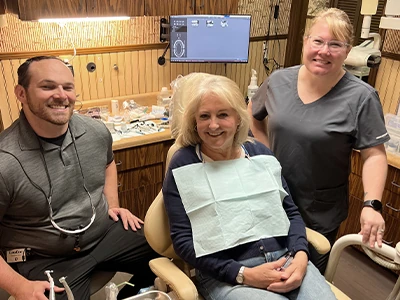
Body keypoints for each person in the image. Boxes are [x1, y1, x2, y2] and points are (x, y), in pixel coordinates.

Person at [163, 72, 336, 300]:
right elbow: (184, 241)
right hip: (227, 274)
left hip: (286, 258)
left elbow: (290, 213)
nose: (213, 125)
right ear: (195, 122)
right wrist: (244, 274)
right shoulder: (184, 164)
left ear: (238, 118)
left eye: (223, 114)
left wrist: (302, 257)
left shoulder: (260, 154)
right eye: (204, 116)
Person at [0, 56, 157, 300]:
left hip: (103, 233)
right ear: (21, 93)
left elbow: (108, 162)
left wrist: (113, 205)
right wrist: (19, 286)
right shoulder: (5, 161)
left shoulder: (95, 132)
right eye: (48, 86)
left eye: (68, 87)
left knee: (167, 254)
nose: (61, 95)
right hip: (46, 256)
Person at [249, 8, 389, 274]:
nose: (324, 51)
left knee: (307, 276)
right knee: (269, 270)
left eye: (335, 44)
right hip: (273, 198)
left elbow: (374, 154)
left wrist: (372, 204)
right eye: (318, 41)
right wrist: (267, 156)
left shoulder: (362, 97)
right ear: (305, 42)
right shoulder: (278, 81)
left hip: (318, 210)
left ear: (347, 52)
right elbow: (253, 116)